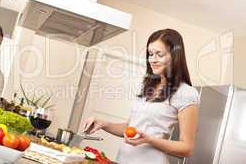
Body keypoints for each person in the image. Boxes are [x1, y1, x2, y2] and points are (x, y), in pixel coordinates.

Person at [83, 29, 199, 164]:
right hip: (122, 160)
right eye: (150, 54)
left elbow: (187, 148)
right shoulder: (147, 86)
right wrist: (104, 124)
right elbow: (132, 127)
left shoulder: (186, 93)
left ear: (175, 56)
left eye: (159, 54)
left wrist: (149, 139)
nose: (153, 60)